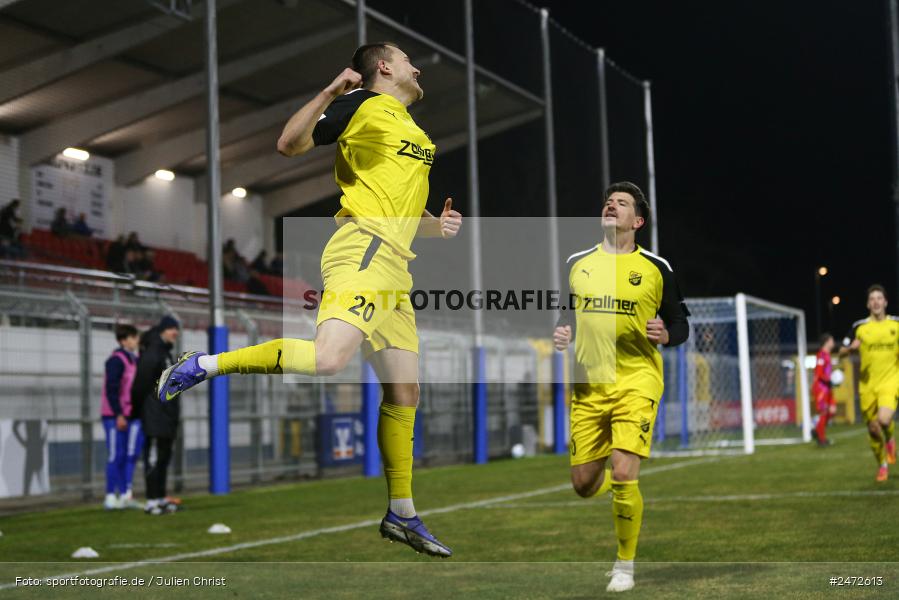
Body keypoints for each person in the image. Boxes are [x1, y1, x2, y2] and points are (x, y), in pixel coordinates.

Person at [157, 42, 461, 556]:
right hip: (363, 247)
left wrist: (437, 227)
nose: (417, 65)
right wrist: (329, 91)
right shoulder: (362, 102)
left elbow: (400, 204)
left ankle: (401, 513)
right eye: (407, 57)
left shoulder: (412, 128)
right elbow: (289, 144)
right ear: (383, 67)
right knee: (328, 359)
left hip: (395, 267)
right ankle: (203, 363)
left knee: (405, 394)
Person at [553, 182, 690, 593]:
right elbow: (566, 315)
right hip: (588, 386)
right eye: (609, 201)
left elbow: (681, 322)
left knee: (626, 468)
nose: (612, 204)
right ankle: (615, 483)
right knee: (582, 485)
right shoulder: (577, 262)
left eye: (623, 203)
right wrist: (560, 332)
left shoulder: (657, 268)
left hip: (636, 380)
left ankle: (624, 565)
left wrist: (667, 334)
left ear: (638, 221)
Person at [840, 285, 899, 482]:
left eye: (879, 298)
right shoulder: (859, 327)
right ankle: (882, 465)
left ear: (885, 302)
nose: (875, 302)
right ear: (868, 304)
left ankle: (890, 437)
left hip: (891, 381)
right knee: (873, 429)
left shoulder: (896, 325)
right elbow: (841, 350)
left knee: (883, 419)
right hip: (867, 385)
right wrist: (850, 349)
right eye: (872, 298)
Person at [132, 316, 181, 515]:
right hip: (154, 415)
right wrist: (138, 410)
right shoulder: (153, 353)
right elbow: (140, 385)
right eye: (171, 328)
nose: (175, 332)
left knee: (163, 458)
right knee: (153, 458)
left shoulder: (166, 353)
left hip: (167, 415)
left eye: (176, 329)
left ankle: (160, 498)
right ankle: (151, 501)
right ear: (162, 330)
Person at [101, 324, 142, 510]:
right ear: (124, 340)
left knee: (129, 455)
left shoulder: (134, 359)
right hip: (114, 415)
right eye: (133, 338)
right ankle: (110, 495)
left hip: (129, 414)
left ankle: (126, 494)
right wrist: (118, 413)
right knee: (115, 455)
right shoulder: (116, 361)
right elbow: (112, 389)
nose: (136, 341)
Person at [811, 333, 837, 447]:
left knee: (832, 410)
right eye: (832, 340)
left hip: (827, 387)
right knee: (824, 412)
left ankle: (817, 430)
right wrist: (829, 380)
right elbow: (819, 373)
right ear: (827, 342)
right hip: (821, 388)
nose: (833, 342)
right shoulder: (821, 355)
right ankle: (821, 439)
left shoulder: (827, 355)